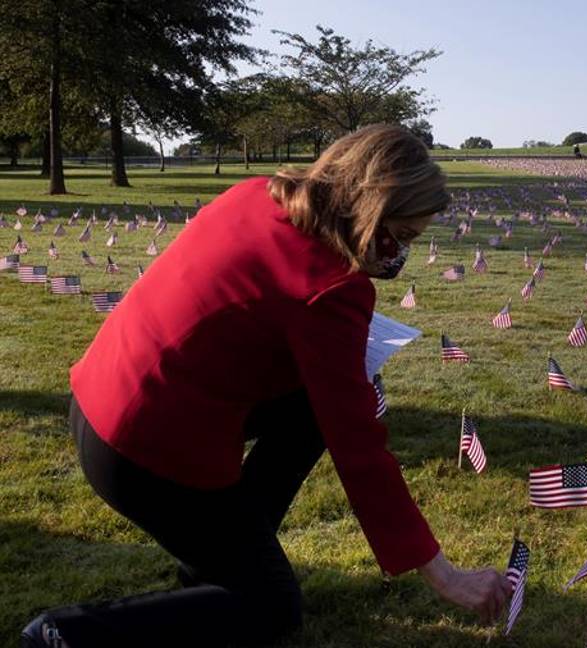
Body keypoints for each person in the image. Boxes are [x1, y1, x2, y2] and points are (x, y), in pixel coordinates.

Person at [21, 125, 511, 648]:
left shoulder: (256, 194)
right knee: (270, 608)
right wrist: (444, 574)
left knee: (306, 409)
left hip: (100, 400)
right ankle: (65, 634)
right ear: (372, 209)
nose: (401, 254)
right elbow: (359, 448)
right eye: (404, 236)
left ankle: (230, 549)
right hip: (139, 451)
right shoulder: (332, 287)